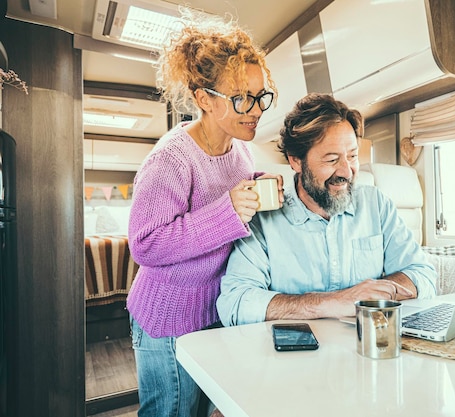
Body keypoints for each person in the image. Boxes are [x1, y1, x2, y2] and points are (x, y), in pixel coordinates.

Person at [126, 8, 282, 417]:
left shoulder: (241, 149)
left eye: (261, 95)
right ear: (202, 99)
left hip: (215, 312)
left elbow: (232, 182)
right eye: (241, 98)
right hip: (168, 320)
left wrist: (261, 183)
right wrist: (227, 210)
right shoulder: (172, 160)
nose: (256, 109)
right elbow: (145, 244)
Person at [216, 93, 437, 326]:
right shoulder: (263, 218)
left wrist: (371, 296)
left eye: (352, 156)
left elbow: (422, 275)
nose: (347, 171)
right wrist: (332, 302)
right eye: (331, 160)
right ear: (296, 161)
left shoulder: (376, 205)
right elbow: (235, 303)